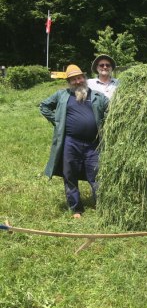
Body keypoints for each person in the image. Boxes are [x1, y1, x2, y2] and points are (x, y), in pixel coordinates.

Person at [39, 64, 109, 218]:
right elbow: (43, 106)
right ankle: (76, 209)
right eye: (73, 79)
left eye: (79, 77)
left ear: (84, 78)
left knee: (97, 175)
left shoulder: (97, 96)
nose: (77, 81)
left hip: (93, 144)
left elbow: (112, 110)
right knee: (69, 175)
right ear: (69, 81)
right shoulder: (62, 95)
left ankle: (102, 204)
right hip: (70, 142)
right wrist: (57, 121)